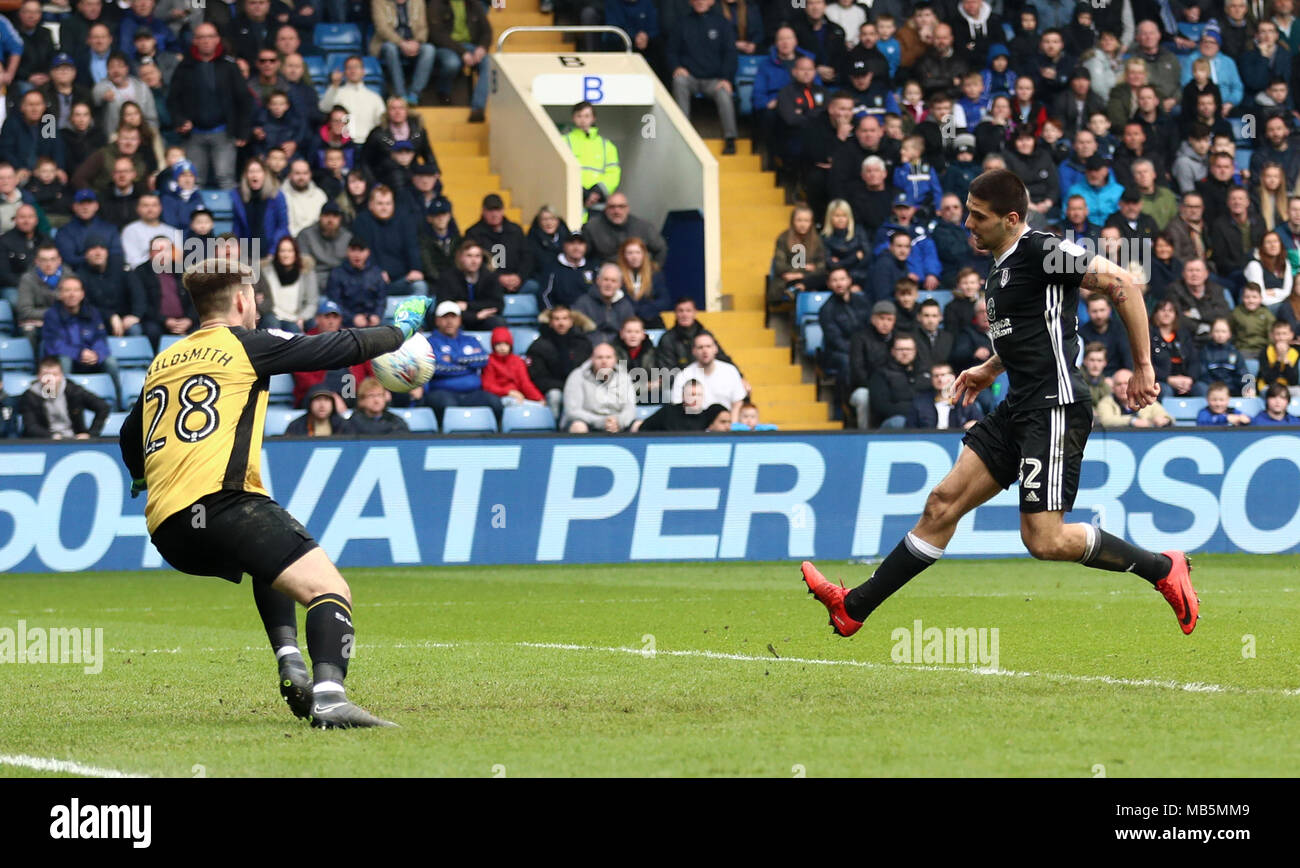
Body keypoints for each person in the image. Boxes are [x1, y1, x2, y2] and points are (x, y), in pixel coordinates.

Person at [802, 168, 1199, 640]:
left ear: (1011, 219)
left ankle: (1162, 568)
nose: (968, 224)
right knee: (941, 505)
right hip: (1018, 405)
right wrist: (991, 368)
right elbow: (1031, 331)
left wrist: (1143, 367)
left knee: (1045, 540)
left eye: (978, 216)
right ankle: (854, 607)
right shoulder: (1001, 265)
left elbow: (1124, 286)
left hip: (1054, 405)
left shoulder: (1042, 250)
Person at [118, 261, 432, 727]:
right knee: (329, 588)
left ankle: (290, 660)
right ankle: (329, 698)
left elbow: (130, 433)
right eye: (254, 298)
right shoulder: (247, 345)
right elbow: (338, 347)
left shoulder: (164, 360)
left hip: (168, 528)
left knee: (271, 563)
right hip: (225, 503)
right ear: (242, 300)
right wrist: (398, 330)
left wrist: (141, 474)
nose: (258, 307)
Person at [166, 23, 252, 189]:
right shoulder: (184, 68)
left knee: (226, 179)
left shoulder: (229, 67)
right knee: (192, 181)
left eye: (210, 36)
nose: (206, 41)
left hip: (224, 133)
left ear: (217, 40)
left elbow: (244, 100)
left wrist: (243, 130)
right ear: (195, 41)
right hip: (193, 135)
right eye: (201, 37)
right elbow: (173, 100)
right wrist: (180, 121)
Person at [668, 0, 739, 154]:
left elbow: (730, 53)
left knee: (724, 92)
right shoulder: (682, 23)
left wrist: (726, 78)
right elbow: (671, 51)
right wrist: (677, 67)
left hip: (714, 80)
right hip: (690, 78)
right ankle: (683, 134)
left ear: (712, 1)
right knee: (679, 81)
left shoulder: (722, 23)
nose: (700, 1)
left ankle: (730, 140)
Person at [423, 300, 501, 421]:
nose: (449, 321)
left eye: (453, 317)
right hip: (442, 392)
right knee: (448, 407)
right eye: (445, 317)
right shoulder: (429, 343)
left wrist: (454, 359)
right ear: (437, 320)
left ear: (459, 319)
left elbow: (483, 359)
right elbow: (435, 368)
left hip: (473, 393)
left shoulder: (471, 340)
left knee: (495, 402)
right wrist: (468, 366)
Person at [428, 0, 493, 123]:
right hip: (446, 47)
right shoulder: (436, 4)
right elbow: (437, 35)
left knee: (489, 63)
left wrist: (482, 48)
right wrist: (462, 52)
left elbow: (487, 32)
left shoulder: (474, 4)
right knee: (452, 63)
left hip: (471, 46)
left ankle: (477, 108)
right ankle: (443, 91)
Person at [527, 305, 593, 420]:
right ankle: (555, 431)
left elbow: (589, 371)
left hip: (579, 387)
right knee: (555, 396)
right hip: (554, 388)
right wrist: (566, 387)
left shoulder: (583, 343)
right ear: (551, 322)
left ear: (571, 321)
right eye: (557, 319)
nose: (561, 323)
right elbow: (538, 378)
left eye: (564, 318)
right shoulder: (539, 346)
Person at [21, 355, 111, 438]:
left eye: (54, 375)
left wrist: (91, 434)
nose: (50, 379)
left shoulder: (74, 391)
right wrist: (51, 436)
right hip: (45, 442)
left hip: (75, 440)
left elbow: (103, 407)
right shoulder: (30, 396)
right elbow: (31, 427)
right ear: (39, 376)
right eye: (46, 375)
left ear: (61, 376)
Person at [465, 193, 534, 297]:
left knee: (534, 287)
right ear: (483, 211)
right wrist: (497, 278)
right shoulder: (473, 233)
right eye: (490, 210)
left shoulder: (515, 230)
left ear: (503, 210)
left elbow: (527, 257)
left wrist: (519, 277)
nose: (494, 214)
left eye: (497, 210)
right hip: (487, 282)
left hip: (516, 280)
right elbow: (472, 262)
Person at [561, 341, 636, 433]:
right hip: (587, 422)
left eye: (608, 357)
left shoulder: (624, 377)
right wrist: (600, 421)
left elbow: (630, 408)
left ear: (615, 360)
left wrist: (618, 422)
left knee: (638, 425)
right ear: (592, 359)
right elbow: (572, 411)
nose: (604, 361)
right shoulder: (577, 376)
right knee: (578, 427)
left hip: (616, 423)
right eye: (599, 357)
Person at [562, 102, 621, 215]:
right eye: (579, 116)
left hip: (598, 204)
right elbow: (559, 170)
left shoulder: (607, 145)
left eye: (587, 116)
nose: (583, 120)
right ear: (573, 118)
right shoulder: (563, 141)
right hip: (572, 200)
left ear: (593, 118)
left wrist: (597, 192)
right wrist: (582, 193)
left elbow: (613, 173)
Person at [671, 331, 747, 417]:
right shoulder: (684, 376)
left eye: (708, 346)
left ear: (716, 348)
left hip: (725, 425)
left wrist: (731, 427)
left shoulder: (730, 371)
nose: (705, 350)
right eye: (700, 347)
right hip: (696, 426)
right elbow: (677, 405)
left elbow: (737, 403)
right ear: (694, 351)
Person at [372, 0, 433, 105]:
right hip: (389, 42)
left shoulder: (418, 1)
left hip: (413, 42)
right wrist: (401, 43)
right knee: (390, 49)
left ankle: (414, 93)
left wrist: (417, 42)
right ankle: (400, 94)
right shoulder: (379, 1)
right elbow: (382, 29)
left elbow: (423, 27)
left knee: (429, 49)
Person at [582, 192, 667, 267]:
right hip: (606, 278)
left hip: (635, 277)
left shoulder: (643, 227)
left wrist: (651, 271)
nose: (617, 211)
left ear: (627, 208)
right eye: (612, 207)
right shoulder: (592, 227)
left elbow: (661, 249)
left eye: (621, 206)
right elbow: (582, 255)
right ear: (605, 209)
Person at [437, 239, 503, 330]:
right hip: (459, 320)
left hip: (483, 318)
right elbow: (444, 307)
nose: (474, 261)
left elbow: (498, 304)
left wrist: (468, 305)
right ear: (461, 258)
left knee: (498, 323)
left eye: (477, 256)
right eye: (469, 256)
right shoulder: (448, 278)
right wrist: (474, 316)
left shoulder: (490, 277)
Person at [257, 236, 318, 332]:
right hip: (271, 314)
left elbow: (312, 303)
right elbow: (257, 291)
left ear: (296, 253)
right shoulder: (266, 270)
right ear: (277, 253)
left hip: (294, 317)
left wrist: (302, 318)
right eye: (282, 251)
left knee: (294, 331)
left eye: (290, 251)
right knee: (273, 325)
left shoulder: (306, 272)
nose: (286, 255)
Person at [1149, 297, 1204, 397]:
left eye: (1170, 311)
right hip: (1161, 381)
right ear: (1156, 313)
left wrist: (1190, 379)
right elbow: (1148, 364)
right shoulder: (1149, 336)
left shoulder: (1183, 335)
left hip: (1186, 380)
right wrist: (1168, 379)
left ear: (1175, 315)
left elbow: (1194, 361)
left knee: (1201, 389)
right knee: (1165, 390)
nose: (1167, 314)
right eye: (1162, 310)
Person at [326, 237, 386, 328]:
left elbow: (381, 299)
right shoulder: (337, 273)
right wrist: (352, 318)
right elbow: (335, 302)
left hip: (371, 322)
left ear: (368, 252)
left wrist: (377, 315)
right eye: (353, 250)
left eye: (361, 250)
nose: (357, 255)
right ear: (347, 252)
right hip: (345, 324)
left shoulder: (376, 273)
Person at [573, 263, 637, 345]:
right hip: (590, 351)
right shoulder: (583, 303)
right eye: (606, 279)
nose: (609, 284)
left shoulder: (626, 306)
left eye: (613, 281)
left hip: (618, 353)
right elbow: (577, 334)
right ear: (598, 280)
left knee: (624, 358)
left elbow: (631, 332)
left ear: (620, 284)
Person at [907, 361, 982, 429]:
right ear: (931, 379)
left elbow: (980, 423)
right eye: (936, 376)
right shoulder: (920, 402)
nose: (940, 379)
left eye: (943, 375)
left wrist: (974, 424)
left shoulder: (964, 401)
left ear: (953, 377)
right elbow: (910, 430)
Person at [482, 326, 544, 407]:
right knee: (514, 403)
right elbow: (488, 385)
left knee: (540, 406)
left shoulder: (517, 361)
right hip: (500, 397)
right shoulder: (489, 361)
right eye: (498, 344)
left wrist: (538, 398)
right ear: (493, 346)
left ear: (510, 345)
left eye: (505, 344)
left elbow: (525, 383)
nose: (502, 348)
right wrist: (508, 392)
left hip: (518, 396)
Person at [634, 378, 726, 432]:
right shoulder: (668, 412)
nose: (695, 398)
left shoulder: (707, 416)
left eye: (699, 395)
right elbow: (644, 429)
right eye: (691, 395)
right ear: (683, 396)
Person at [1095, 367, 1175, 428]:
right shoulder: (1106, 402)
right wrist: (1132, 421)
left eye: (1126, 383)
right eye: (1119, 384)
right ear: (1113, 388)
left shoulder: (1145, 400)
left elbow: (1168, 417)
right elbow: (1106, 420)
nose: (1123, 387)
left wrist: (1164, 420)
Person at [297, 201, 352, 288]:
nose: (330, 220)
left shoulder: (347, 237)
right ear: (320, 217)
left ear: (340, 219)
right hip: (314, 280)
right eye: (326, 215)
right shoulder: (306, 235)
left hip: (340, 282)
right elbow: (304, 268)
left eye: (335, 216)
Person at [1197, 316, 1255, 397]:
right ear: (1211, 333)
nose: (1220, 335)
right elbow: (1203, 375)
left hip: (1232, 391)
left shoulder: (1235, 353)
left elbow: (1244, 373)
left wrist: (1249, 387)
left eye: (1223, 331)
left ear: (1229, 334)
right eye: (1217, 331)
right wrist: (1218, 389)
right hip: (1213, 391)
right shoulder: (1205, 352)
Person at [341, 376, 410, 434]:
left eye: (379, 395)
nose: (376, 400)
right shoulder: (352, 424)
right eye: (371, 396)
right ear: (361, 400)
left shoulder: (395, 421)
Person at [1231, 283, 1276, 356]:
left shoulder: (1267, 314)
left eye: (1254, 297)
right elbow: (1230, 333)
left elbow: (1272, 336)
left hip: (1263, 350)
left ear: (1261, 298)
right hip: (1242, 350)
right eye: (1247, 297)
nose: (1251, 301)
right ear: (1242, 298)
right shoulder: (1236, 313)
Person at [1257, 319, 1299, 392]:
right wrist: (1279, 359)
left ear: (1291, 335)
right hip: (1268, 387)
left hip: (1287, 388)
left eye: (1284, 334)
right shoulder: (1265, 352)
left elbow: (1293, 381)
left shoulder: (1294, 353)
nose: (1281, 337)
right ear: (1272, 335)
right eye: (1278, 334)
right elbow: (1268, 379)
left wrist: (1285, 358)